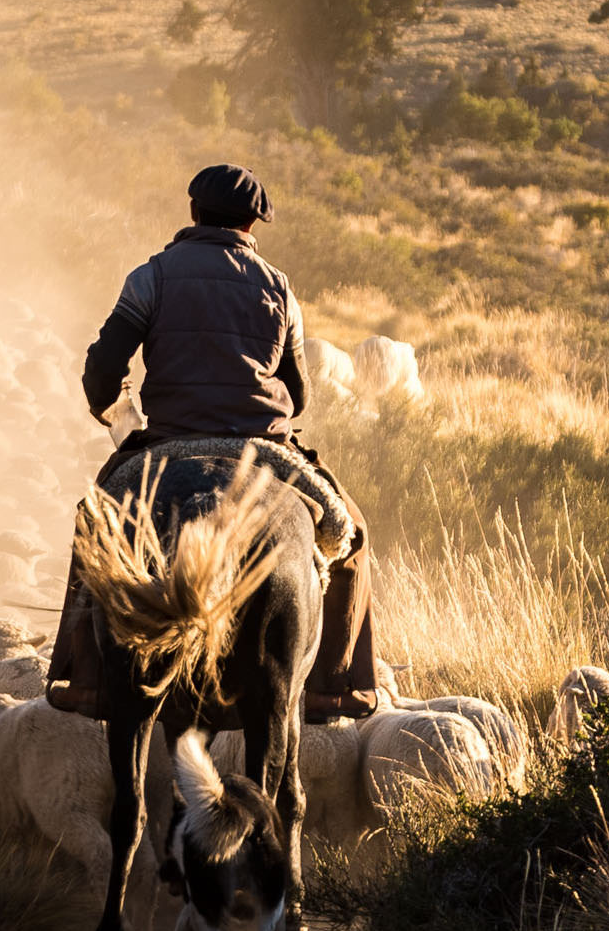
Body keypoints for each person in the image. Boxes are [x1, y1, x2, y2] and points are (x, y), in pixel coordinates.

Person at [59, 162, 378, 723]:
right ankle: (332, 687)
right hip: (263, 450)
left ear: (192, 212)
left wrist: (117, 413)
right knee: (350, 536)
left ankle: (84, 679)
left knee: (93, 527)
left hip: (164, 443)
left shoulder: (150, 277)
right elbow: (298, 395)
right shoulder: (279, 286)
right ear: (255, 224)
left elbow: (103, 368)